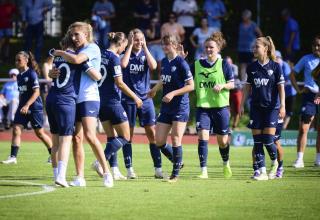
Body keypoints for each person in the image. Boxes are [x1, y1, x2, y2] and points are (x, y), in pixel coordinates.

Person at [52, 22, 113, 187]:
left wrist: (60, 52)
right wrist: (53, 72)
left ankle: (107, 172)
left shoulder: (92, 48)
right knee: (76, 138)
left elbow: (79, 61)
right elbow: (63, 69)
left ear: (86, 35)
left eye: (76, 34)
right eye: (71, 35)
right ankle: (80, 177)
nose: (73, 38)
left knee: (90, 136)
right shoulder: (73, 50)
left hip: (88, 97)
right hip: (72, 97)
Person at [91, 31, 144, 180]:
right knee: (125, 136)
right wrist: (136, 97)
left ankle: (114, 171)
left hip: (99, 101)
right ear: (120, 44)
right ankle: (101, 161)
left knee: (111, 138)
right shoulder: (114, 58)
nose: (123, 50)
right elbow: (119, 83)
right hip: (113, 102)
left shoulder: (100, 53)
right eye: (124, 47)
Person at [148, 34, 194, 182]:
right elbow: (164, 79)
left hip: (180, 107)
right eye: (163, 44)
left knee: (175, 139)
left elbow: (191, 86)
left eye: (167, 44)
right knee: (159, 141)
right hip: (167, 107)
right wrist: (154, 89)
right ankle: (178, 162)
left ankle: (175, 175)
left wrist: (173, 93)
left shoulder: (182, 63)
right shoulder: (164, 61)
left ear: (174, 45)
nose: (164, 47)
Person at [240, 36, 285, 180]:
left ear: (265, 49)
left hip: (272, 109)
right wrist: (242, 104)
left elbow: (281, 88)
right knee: (257, 142)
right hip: (256, 109)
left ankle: (276, 163)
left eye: (257, 47)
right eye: (253, 47)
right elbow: (247, 88)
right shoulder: (251, 67)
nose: (254, 49)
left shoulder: (276, 66)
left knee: (268, 140)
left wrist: (283, 106)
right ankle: (262, 172)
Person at [192, 32, 234, 179]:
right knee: (203, 137)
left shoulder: (224, 64)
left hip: (221, 107)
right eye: (207, 47)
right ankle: (203, 171)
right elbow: (187, 78)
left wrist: (222, 85)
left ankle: (226, 162)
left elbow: (232, 84)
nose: (209, 50)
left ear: (218, 48)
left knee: (222, 141)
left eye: (211, 47)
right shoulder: (197, 64)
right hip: (203, 107)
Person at [118, 29, 159, 178]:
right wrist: (129, 45)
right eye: (136, 40)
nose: (139, 42)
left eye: (141, 39)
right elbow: (123, 64)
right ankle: (129, 170)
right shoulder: (125, 54)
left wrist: (146, 47)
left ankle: (158, 169)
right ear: (130, 41)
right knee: (128, 135)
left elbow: (154, 66)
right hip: (128, 100)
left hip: (146, 99)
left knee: (152, 134)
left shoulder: (145, 54)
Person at [1, 51, 52, 164]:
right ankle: (13, 157)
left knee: (40, 133)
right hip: (23, 108)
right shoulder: (19, 76)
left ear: (26, 60)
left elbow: (37, 92)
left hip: (34, 108)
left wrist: (27, 105)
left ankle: (53, 154)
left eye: (19, 60)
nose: (17, 62)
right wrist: (21, 105)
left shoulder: (32, 74)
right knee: (16, 129)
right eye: (16, 60)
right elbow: (21, 93)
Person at [290, 35, 320, 168]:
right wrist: (299, 90)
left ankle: (318, 159)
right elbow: (292, 74)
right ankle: (299, 159)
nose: (316, 47)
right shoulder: (306, 59)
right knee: (303, 128)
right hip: (309, 97)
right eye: (314, 45)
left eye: (319, 45)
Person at [237, 9, 262, 82]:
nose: (243, 17)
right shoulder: (241, 25)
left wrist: (257, 44)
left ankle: (254, 79)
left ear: (248, 17)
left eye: (244, 16)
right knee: (242, 65)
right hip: (241, 49)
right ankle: (243, 82)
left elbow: (260, 34)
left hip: (251, 49)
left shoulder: (253, 25)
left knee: (253, 64)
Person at [275, 50, 295, 129]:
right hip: (281, 92)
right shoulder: (274, 65)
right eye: (274, 58)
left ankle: (284, 127)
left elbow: (285, 80)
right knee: (279, 110)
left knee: (288, 112)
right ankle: (279, 127)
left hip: (290, 92)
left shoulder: (285, 65)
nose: (276, 59)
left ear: (280, 58)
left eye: (277, 57)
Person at [226, 56, 241, 130]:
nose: (228, 64)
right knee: (226, 109)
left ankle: (234, 127)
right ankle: (226, 126)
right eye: (227, 62)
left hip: (236, 90)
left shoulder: (234, 67)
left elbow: (233, 76)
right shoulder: (222, 67)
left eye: (229, 62)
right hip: (227, 91)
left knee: (238, 109)